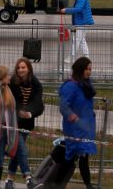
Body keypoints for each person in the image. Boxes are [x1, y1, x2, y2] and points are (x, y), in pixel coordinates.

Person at [5, 58, 44, 189]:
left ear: (29, 69)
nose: (20, 70)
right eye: (18, 68)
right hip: (13, 122)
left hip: (27, 123)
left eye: (23, 67)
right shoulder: (11, 84)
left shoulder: (36, 84)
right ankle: (28, 179)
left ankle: (9, 180)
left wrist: (30, 113)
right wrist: (18, 112)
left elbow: (39, 105)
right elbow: (8, 102)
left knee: (17, 151)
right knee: (22, 149)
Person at [59, 57, 97, 189]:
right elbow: (64, 106)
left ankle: (58, 184)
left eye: (90, 69)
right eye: (87, 69)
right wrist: (73, 117)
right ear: (80, 69)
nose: (89, 72)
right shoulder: (70, 86)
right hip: (74, 128)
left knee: (80, 156)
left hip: (85, 128)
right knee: (73, 156)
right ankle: (87, 185)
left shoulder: (86, 84)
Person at [60, 0, 94, 64]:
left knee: (76, 40)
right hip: (83, 22)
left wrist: (66, 10)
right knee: (82, 40)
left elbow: (78, 9)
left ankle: (70, 57)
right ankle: (86, 57)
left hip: (82, 23)